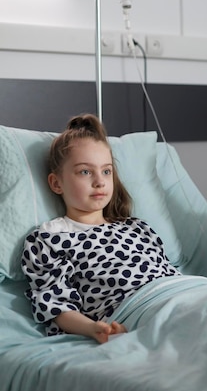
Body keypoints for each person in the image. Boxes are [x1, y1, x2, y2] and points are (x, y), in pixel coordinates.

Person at [21, 114, 181, 344]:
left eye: (106, 171)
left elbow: (168, 273)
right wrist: (94, 329)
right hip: (133, 311)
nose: (100, 181)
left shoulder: (137, 227)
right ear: (56, 183)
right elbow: (54, 304)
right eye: (85, 171)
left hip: (181, 292)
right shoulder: (49, 238)